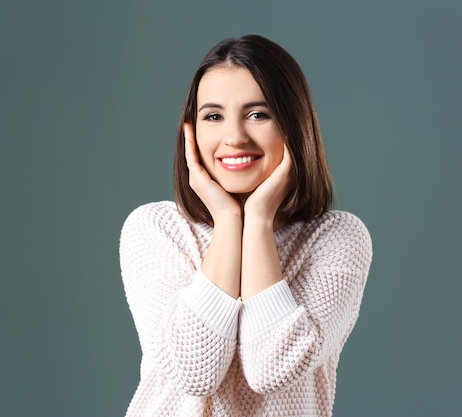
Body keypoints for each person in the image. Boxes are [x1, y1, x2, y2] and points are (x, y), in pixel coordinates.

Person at [119, 34, 372, 417]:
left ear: (293, 125)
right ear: (191, 132)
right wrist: (226, 219)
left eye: (259, 114)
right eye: (214, 116)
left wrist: (257, 221)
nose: (235, 137)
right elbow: (194, 371)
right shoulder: (155, 228)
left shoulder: (337, 238)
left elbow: (273, 368)